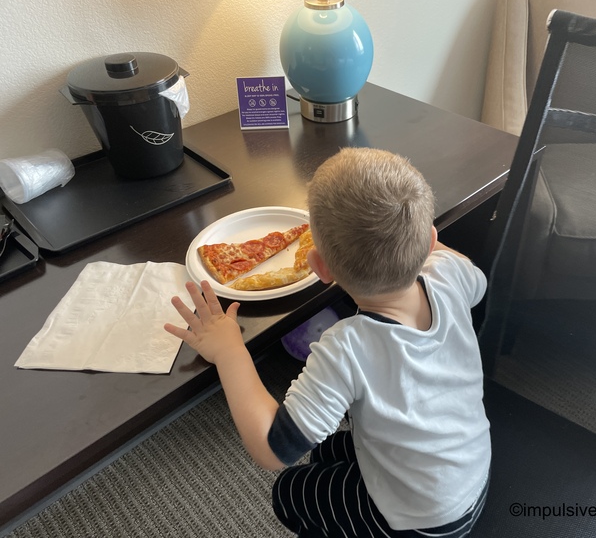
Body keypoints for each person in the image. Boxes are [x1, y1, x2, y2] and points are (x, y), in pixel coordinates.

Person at [165, 147, 491, 537]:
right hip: (469, 473)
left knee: (291, 490)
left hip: (419, 524)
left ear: (320, 267)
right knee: (325, 451)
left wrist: (229, 350)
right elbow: (476, 278)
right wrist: (416, 242)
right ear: (431, 240)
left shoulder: (348, 348)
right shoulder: (451, 275)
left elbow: (273, 449)